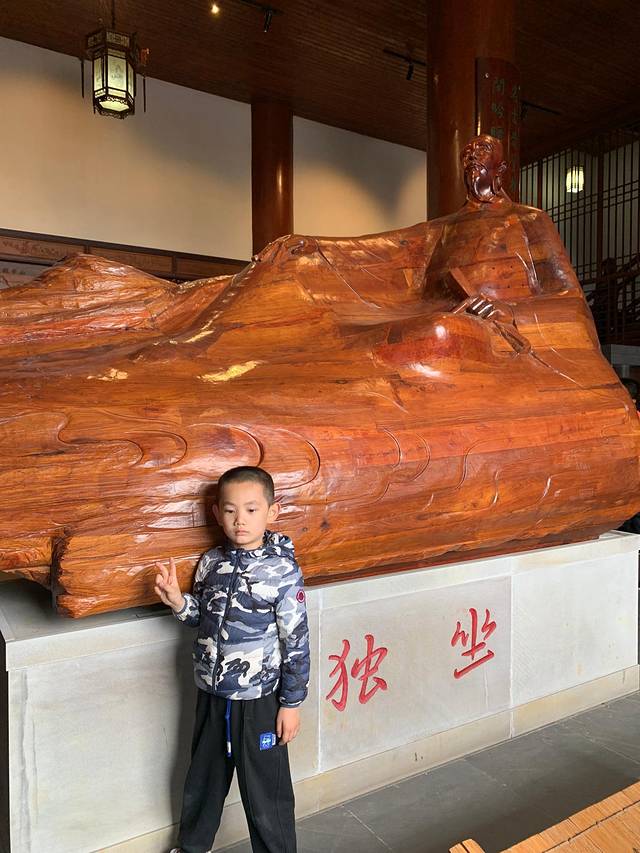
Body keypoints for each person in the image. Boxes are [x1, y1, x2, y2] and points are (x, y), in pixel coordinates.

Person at [155, 465, 310, 853]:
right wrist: (177, 601)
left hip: (259, 700)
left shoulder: (282, 571)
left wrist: (291, 704)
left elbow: (296, 641)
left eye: (251, 510)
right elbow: (200, 618)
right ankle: (192, 847)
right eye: (230, 510)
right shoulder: (211, 563)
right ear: (216, 513)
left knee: (266, 792)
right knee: (203, 779)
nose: (240, 520)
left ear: (272, 512)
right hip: (212, 693)